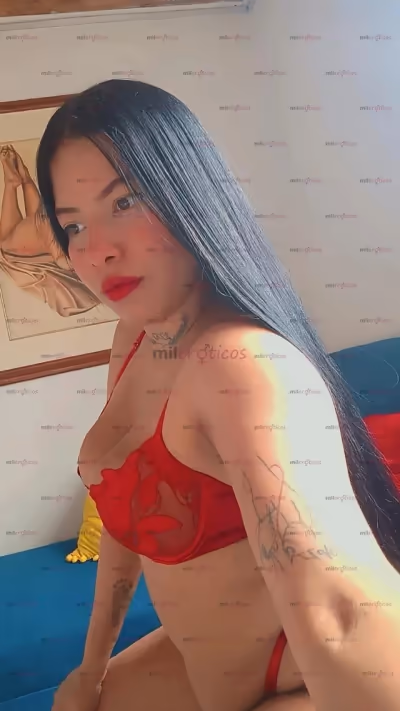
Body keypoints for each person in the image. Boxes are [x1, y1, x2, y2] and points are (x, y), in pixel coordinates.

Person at [36, 79, 400, 711]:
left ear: (187, 190)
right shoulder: (136, 337)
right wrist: (90, 669)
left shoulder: (241, 362)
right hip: (198, 660)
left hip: (295, 676)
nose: (97, 250)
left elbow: (340, 615)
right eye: (74, 225)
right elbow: (123, 515)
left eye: (124, 201)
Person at [0, 144, 100, 316]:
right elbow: (61, 258)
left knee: (9, 244)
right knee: (7, 246)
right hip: (43, 233)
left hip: (41, 233)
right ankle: (15, 182)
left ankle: (18, 181)